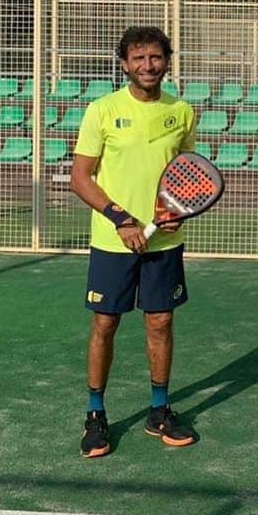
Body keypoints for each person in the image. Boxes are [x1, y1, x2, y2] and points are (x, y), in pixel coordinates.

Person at [71, 26, 198, 458]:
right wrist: (121, 220)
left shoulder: (181, 111)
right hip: (113, 241)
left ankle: (159, 410)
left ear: (167, 61)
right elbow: (81, 177)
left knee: (160, 322)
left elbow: (186, 172)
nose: (148, 65)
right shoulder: (102, 110)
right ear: (124, 64)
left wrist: (179, 210)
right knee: (105, 324)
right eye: (139, 58)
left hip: (163, 241)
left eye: (156, 57)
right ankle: (95, 414)